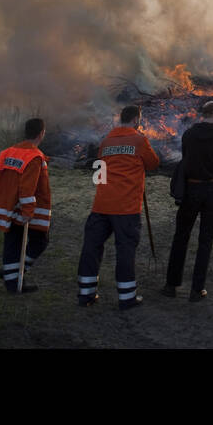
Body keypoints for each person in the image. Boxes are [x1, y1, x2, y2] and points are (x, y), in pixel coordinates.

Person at [76, 105, 161, 309]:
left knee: (91, 247)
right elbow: (153, 163)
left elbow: (100, 172)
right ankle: (126, 297)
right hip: (126, 208)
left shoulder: (105, 142)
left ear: (119, 119)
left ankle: (86, 294)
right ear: (136, 120)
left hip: (102, 204)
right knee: (125, 250)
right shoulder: (139, 140)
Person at [161, 100, 213, 302]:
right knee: (205, 240)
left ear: (203, 114)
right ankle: (197, 290)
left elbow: (186, 159)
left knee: (181, 236)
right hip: (212, 191)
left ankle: (171, 286)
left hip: (190, 190)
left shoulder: (189, 135)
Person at [0, 116, 51, 293]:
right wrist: (28, 211)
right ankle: (15, 278)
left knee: (12, 242)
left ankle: (11, 276)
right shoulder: (35, 157)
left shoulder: (6, 152)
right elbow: (27, 188)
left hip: (8, 206)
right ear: (41, 134)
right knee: (39, 241)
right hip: (24, 209)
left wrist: (8, 192)